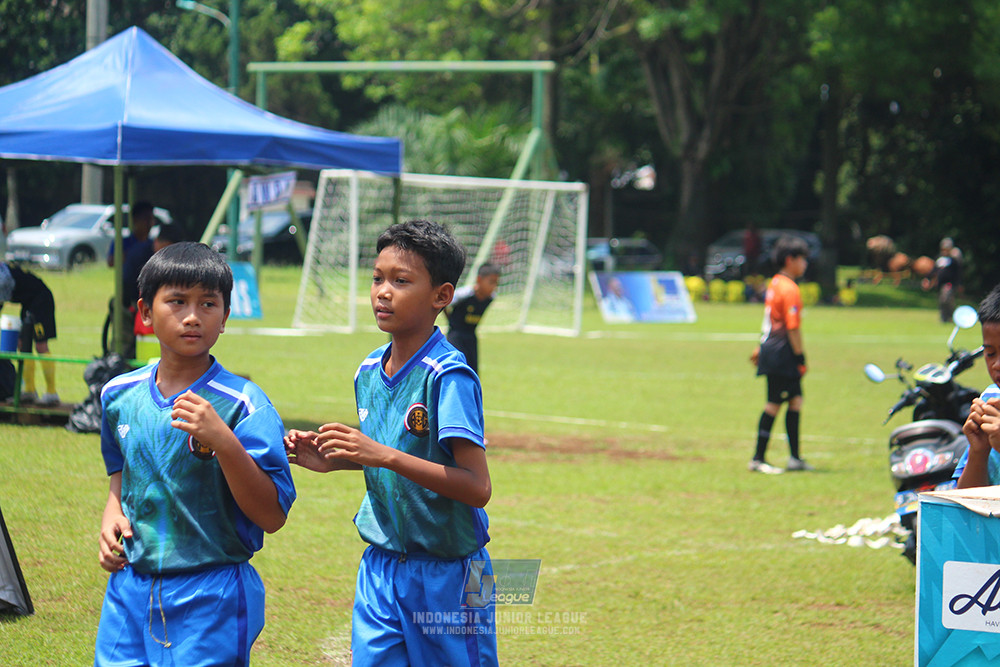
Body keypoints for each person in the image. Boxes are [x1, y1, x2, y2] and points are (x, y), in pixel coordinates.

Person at [284, 219, 497, 666]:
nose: (383, 292)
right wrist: (336, 458)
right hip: (381, 567)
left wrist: (382, 455)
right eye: (377, 278)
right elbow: (394, 454)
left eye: (401, 281)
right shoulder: (367, 371)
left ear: (441, 296)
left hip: (453, 571)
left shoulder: (448, 376)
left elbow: (477, 487)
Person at [95, 242, 295, 667]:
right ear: (145, 312)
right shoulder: (118, 395)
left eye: (208, 304)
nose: (192, 316)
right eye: (177, 301)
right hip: (129, 590)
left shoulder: (244, 404)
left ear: (225, 317)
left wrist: (224, 442)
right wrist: (112, 513)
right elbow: (121, 470)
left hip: (212, 593)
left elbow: (272, 515)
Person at [749, 236, 812, 474]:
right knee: (774, 404)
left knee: (795, 400)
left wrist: (760, 345)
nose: (805, 264)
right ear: (790, 260)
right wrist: (800, 357)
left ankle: (795, 458)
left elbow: (769, 320)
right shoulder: (790, 289)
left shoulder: (774, 283)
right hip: (782, 353)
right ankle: (758, 459)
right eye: (802, 259)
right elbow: (792, 327)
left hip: (771, 349)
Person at [955, 284, 1000, 488]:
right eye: (990, 353)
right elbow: (966, 499)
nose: (996, 365)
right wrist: (978, 452)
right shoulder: (991, 399)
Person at [118, 223, 185, 358]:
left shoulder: (182, 268)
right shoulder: (139, 256)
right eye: (164, 247)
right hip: (145, 327)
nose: (166, 254)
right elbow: (126, 284)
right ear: (156, 242)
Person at [0, 261, 59, 404]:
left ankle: (52, 393)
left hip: (41, 300)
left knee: (41, 345)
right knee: (22, 344)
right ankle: (29, 390)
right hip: (28, 303)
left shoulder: (2, 277)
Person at [445, 262, 500, 374]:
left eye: (496, 283)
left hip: (471, 336)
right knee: (457, 367)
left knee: (472, 371)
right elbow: (445, 303)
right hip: (456, 335)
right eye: (491, 282)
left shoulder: (490, 298)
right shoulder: (464, 295)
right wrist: (450, 319)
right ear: (479, 280)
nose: (494, 287)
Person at [922, 237, 963, 323]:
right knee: (942, 301)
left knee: (946, 299)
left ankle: (951, 316)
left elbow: (957, 273)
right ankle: (944, 318)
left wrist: (959, 284)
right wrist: (928, 279)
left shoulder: (953, 260)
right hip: (940, 284)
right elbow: (934, 270)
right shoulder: (939, 259)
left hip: (949, 284)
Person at [106, 201, 156, 267]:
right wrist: (132, 253)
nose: (150, 223)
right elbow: (110, 262)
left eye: (151, 219)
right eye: (146, 219)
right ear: (135, 220)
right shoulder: (122, 243)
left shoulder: (153, 245)